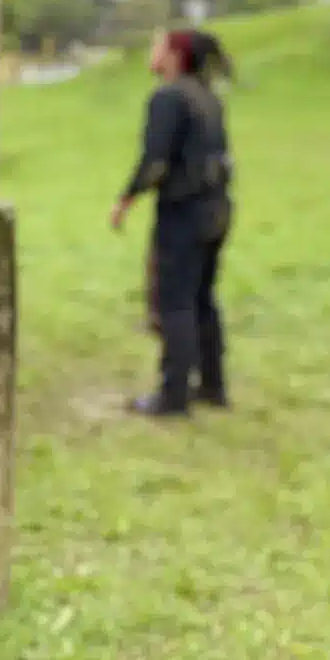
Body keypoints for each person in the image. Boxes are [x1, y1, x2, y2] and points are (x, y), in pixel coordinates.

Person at [111, 28, 235, 418]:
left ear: (174, 55)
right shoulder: (208, 96)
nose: (152, 52)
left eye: (157, 46)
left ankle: (173, 396)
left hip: (184, 212)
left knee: (175, 302)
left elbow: (156, 161)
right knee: (202, 298)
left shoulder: (168, 97)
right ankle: (213, 386)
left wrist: (126, 198)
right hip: (218, 208)